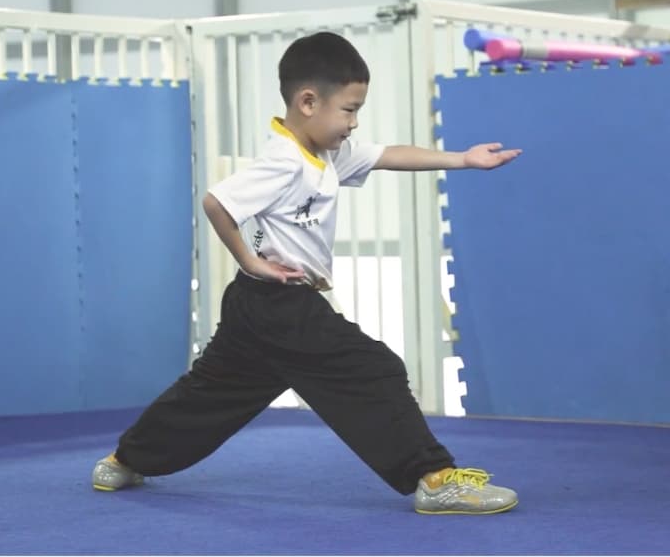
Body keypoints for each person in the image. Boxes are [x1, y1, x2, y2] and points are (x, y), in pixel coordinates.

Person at [90, 31, 522, 515]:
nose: (355, 123)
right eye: (350, 109)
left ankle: (124, 459)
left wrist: (461, 160)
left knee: (208, 396)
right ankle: (434, 479)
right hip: (279, 303)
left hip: (256, 306)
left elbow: (387, 156)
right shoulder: (283, 161)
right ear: (309, 101)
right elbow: (217, 202)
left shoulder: (327, 152)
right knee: (375, 369)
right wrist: (250, 259)